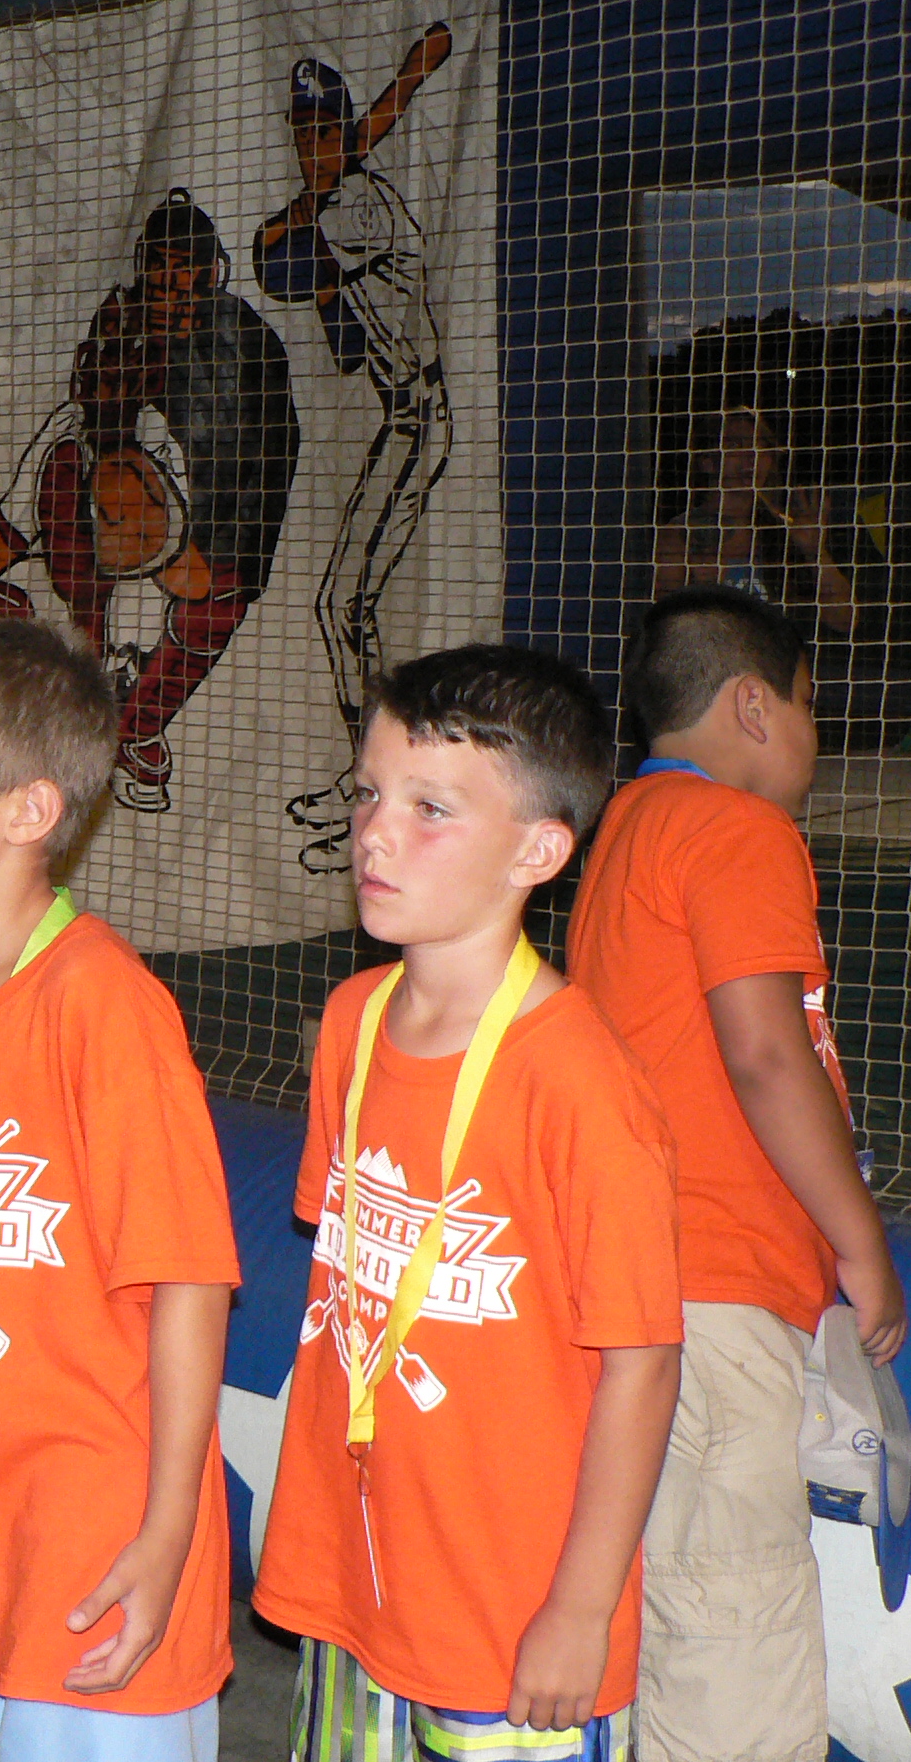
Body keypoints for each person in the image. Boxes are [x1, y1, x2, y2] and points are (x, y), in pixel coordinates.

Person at [251, 644, 684, 1762]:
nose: (375, 833)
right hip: (359, 1580)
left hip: (508, 1608)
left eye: (430, 809)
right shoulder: (352, 1021)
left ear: (538, 850)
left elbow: (642, 1365)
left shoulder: (581, 1087)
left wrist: (580, 1609)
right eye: (368, 794)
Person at [0, 617, 243, 1761]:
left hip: (93, 1546)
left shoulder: (101, 1008)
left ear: (29, 811)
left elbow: (189, 1281)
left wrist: (166, 1535)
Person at [568, 586, 910, 1762]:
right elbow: (764, 1054)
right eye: (810, 707)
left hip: (641, 1278)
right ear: (754, 708)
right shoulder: (737, 831)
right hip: (711, 1286)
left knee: (672, 1601)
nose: (816, 738)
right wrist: (860, 1244)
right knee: (733, 1629)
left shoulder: (629, 825)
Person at [0, 188, 300, 815]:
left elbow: (262, 473)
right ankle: (87, 680)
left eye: (186, 270)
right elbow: (7, 534)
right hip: (103, 574)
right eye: (161, 269)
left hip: (212, 524)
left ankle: (137, 726)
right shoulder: (71, 441)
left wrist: (210, 558)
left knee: (216, 600)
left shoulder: (244, 354)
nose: (172, 287)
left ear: (212, 272)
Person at [254, 25, 459, 871]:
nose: (314, 150)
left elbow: (277, 262)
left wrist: (401, 89)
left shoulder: (358, 206)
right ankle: (367, 775)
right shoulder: (335, 201)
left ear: (346, 134)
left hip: (421, 418)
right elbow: (322, 319)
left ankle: (383, 790)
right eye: (302, 135)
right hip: (399, 419)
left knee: (344, 605)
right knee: (340, 606)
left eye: (327, 132)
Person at [653, 408, 857, 642]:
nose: (752, 456)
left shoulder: (786, 532)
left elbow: (845, 620)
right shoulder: (679, 535)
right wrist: (700, 591)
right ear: (707, 461)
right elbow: (662, 630)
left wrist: (816, 554)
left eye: (762, 446)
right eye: (736, 445)